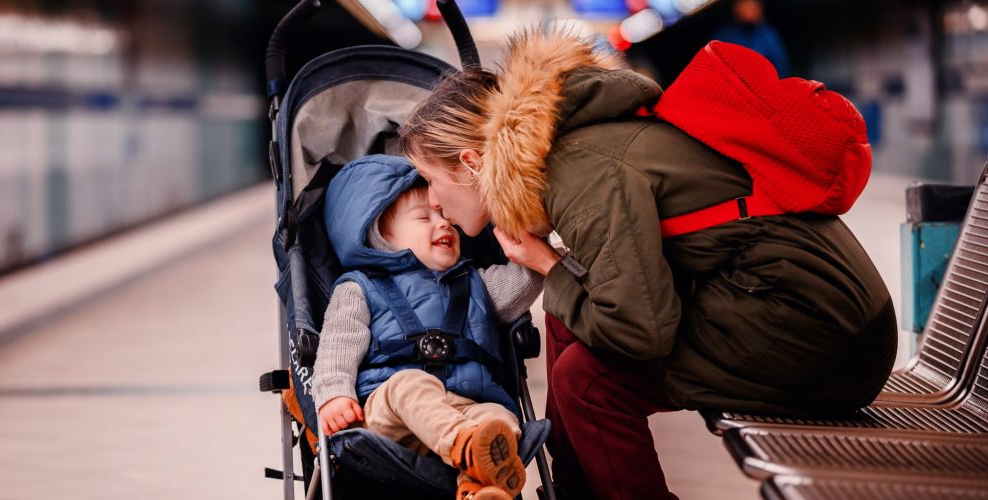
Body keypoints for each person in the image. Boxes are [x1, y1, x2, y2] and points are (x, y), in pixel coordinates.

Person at [397, 30, 896, 499]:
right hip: (808, 312)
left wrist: (550, 266)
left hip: (824, 339)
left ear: (471, 163)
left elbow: (637, 330)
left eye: (430, 180)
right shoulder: (574, 149)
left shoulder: (582, 175)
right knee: (567, 321)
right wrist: (560, 274)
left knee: (587, 381)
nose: (434, 204)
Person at [312, 154, 545, 499]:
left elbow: (527, 275)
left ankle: (475, 489)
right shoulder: (360, 288)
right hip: (391, 412)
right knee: (410, 384)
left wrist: (536, 239)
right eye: (424, 217)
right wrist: (334, 393)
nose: (443, 224)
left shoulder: (476, 283)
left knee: (503, 421)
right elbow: (338, 343)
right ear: (380, 237)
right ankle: (469, 450)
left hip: (468, 405)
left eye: (446, 216)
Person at [712, 0, 790, 75]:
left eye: (754, 5)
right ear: (736, 8)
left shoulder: (768, 34)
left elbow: (781, 66)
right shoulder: (724, 35)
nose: (750, 9)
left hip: (763, 84)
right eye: (745, 4)